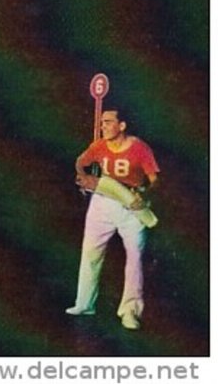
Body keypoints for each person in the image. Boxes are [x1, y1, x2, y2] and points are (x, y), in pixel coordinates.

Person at [67, 109, 160, 330]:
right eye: (102, 123)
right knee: (90, 252)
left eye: (109, 122)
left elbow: (155, 180)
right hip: (102, 202)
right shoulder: (99, 145)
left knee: (135, 258)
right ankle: (84, 304)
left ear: (122, 125)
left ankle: (130, 312)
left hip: (131, 206)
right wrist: (83, 176)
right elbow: (80, 162)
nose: (104, 126)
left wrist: (144, 194)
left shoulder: (139, 148)